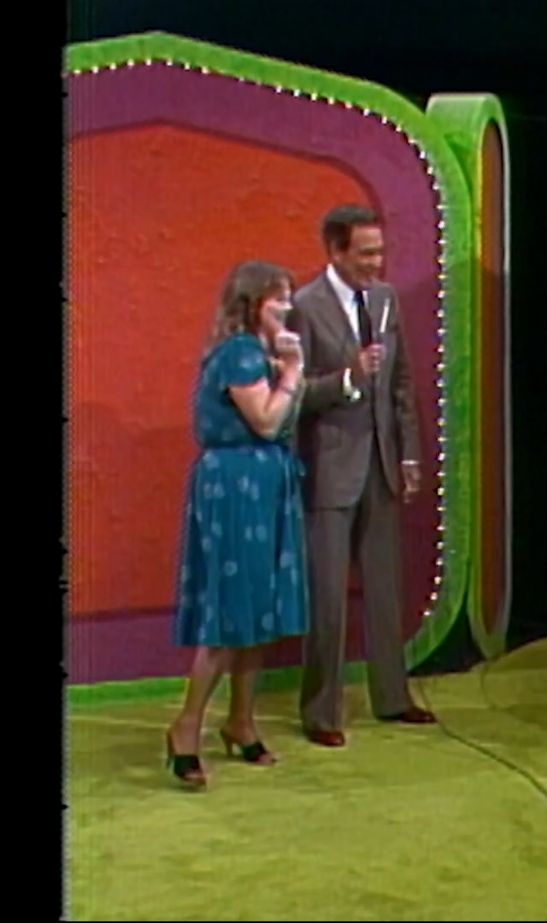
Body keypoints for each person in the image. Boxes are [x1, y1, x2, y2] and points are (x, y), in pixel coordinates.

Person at [288, 204, 435, 747]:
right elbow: (295, 393)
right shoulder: (304, 307)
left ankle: (393, 698)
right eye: (366, 253)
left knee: (385, 591)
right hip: (329, 469)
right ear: (335, 251)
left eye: (380, 251)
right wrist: (348, 378)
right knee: (328, 598)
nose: (377, 262)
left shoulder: (385, 299)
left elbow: (401, 383)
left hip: (381, 464)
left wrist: (410, 456)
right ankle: (321, 712)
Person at [165, 260, 310, 790]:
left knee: (259, 611)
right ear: (252, 304)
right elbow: (267, 420)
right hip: (236, 489)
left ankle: (241, 721)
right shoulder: (241, 353)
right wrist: (293, 370)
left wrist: (287, 369)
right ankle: (186, 728)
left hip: (264, 484)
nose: (287, 307)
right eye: (278, 299)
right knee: (231, 613)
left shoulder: (259, 354)